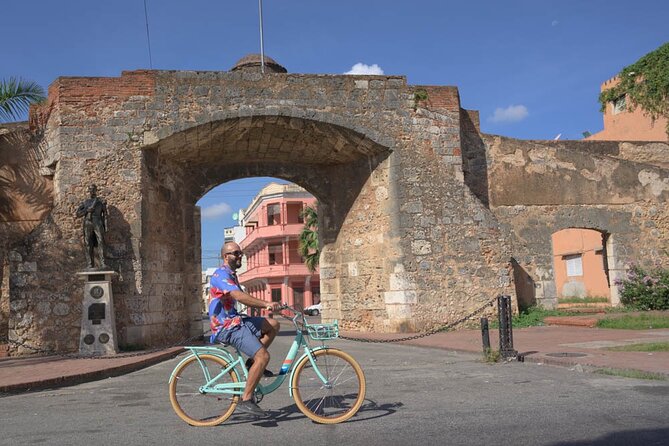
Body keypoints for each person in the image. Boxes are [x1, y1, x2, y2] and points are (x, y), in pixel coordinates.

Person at [208, 241, 281, 417]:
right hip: (226, 327)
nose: (240, 256)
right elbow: (239, 296)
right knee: (263, 356)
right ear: (226, 256)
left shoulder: (232, 275)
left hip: (237, 321)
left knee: (273, 325)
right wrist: (266, 304)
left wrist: (264, 310)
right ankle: (246, 399)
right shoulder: (220, 274)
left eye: (241, 253)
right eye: (236, 253)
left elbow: (243, 299)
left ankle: (251, 364)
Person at [75, 184, 108, 269]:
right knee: (88, 243)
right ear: (88, 190)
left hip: (98, 221)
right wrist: (86, 210)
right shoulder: (85, 202)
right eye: (90, 189)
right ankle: (90, 264)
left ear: (96, 190)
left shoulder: (100, 201)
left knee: (101, 241)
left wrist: (106, 226)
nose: (91, 191)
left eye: (93, 189)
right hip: (87, 222)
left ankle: (103, 263)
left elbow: (105, 215)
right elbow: (78, 214)